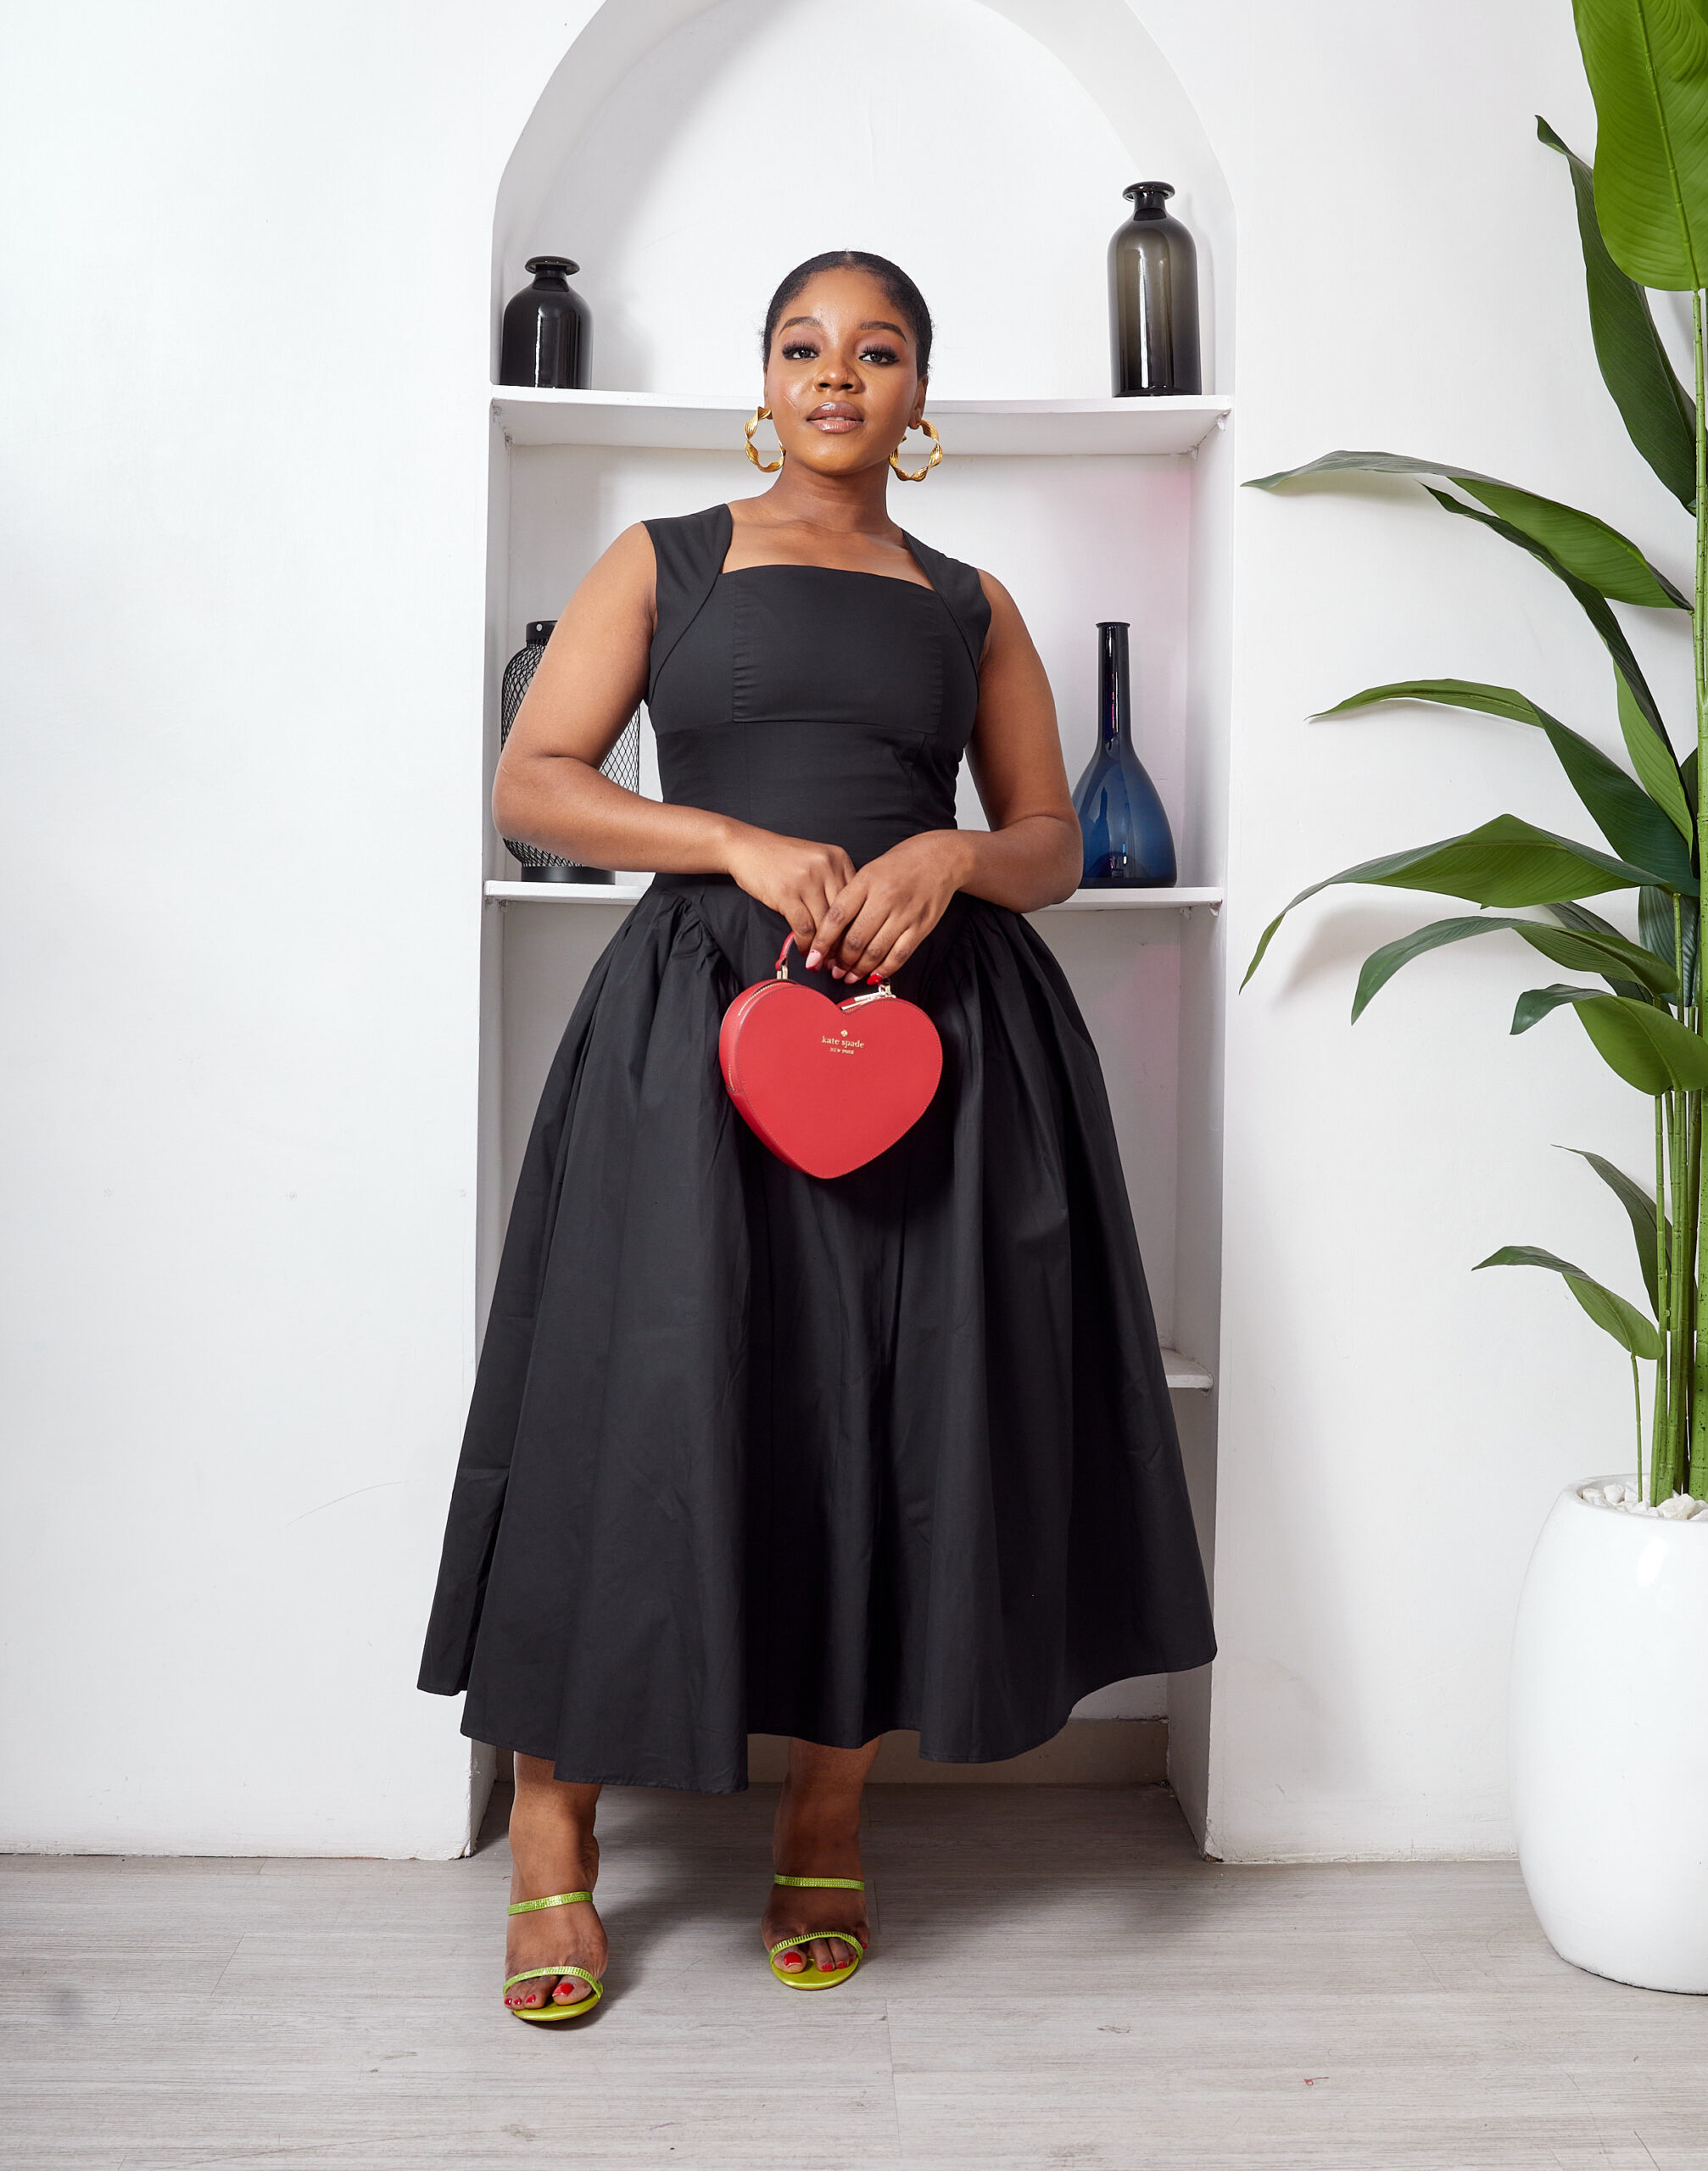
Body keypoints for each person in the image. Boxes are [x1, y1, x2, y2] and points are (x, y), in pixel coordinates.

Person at [419, 249, 1215, 2020]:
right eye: (803, 345)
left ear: (918, 394)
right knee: (635, 1395)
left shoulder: (969, 601)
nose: (837, 374)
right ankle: (553, 1818)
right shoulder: (665, 560)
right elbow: (536, 780)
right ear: (762, 381)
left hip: (935, 1036)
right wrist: (727, 840)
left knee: (882, 1407)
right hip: (696, 1026)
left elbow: (1046, 842)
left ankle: (828, 1806)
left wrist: (948, 855)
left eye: (877, 349)